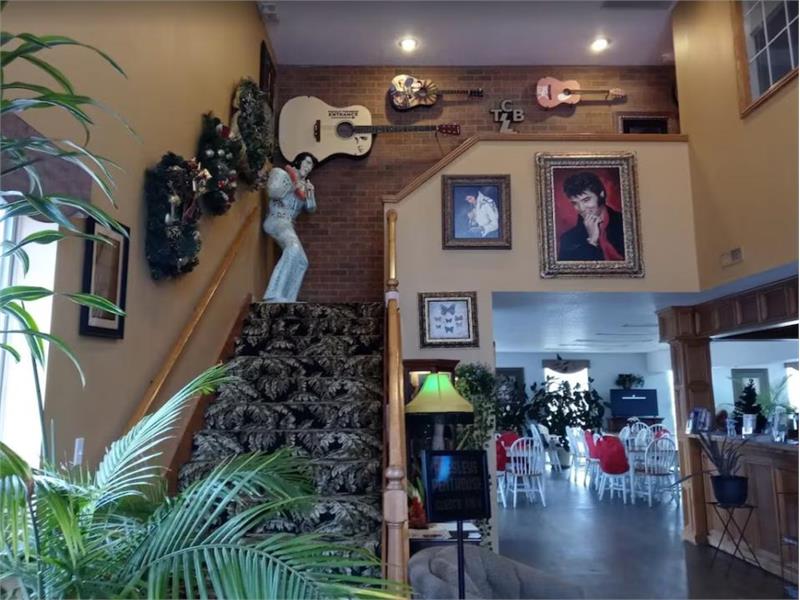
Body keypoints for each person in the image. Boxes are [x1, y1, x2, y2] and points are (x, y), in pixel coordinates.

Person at [262, 153, 317, 302]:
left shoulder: (305, 186)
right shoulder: (282, 173)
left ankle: (289, 299)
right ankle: (273, 294)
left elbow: (311, 208)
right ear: (299, 161)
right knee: (292, 249)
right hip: (276, 219)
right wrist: (293, 186)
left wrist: (310, 193)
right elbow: (273, 192)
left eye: (311, 165)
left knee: (302, 261)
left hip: (288, 224)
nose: (309, 167)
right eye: (307, 162)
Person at [558, 172, 625, 261]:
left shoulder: (625, 223)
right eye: (575, 203)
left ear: (601, 195)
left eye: (586, 200)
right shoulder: (568, 239)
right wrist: (592, 241)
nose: (581, 208)